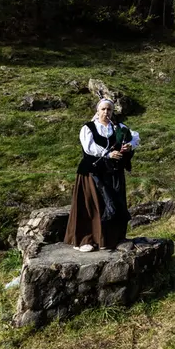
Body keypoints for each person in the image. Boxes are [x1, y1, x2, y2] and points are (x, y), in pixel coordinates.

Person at [65, 99, 140, 252]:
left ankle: (111, 239)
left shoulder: (119, 127)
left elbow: (135, 137)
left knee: (115, 204)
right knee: (93, 205)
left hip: (113, 173)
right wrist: (107, 153)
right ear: (97, 111)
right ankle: (87, 239)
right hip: (93, 173)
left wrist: (129, 145)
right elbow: (89, 148)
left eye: (109, 110)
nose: (106, 112)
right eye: (103, 109)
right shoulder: (88, 128)